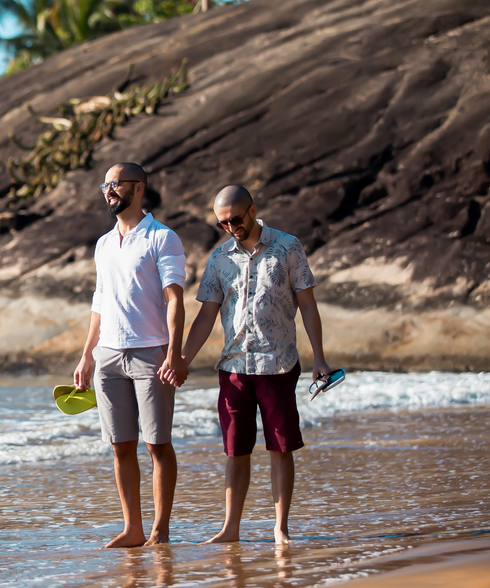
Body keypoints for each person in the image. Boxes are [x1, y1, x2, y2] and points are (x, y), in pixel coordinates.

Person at [181, 185, 331, 545]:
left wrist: (320, 358)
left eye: (236, 219)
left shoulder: (288, 246)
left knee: (280, 447)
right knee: (236, 450)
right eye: (223, 223)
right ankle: (230, 528)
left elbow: (307, 304)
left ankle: (280, 528)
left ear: (253, 210)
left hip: (278, 362)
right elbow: (206, 314)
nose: (231, 227)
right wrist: (183, 359)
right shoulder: (219, 258)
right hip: (233, 366)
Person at [73, 163, 188, 548]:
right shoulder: (104, 243)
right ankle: (132, 528)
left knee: (157, 444)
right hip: (108, 356)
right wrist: (87, 354)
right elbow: (100, 301)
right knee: (120, 446)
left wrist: (174, 353)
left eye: (115, 184)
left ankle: (160, 529)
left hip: (150, 355)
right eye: (105, 185)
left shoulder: (162, 238)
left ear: (138, 188)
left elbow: (175, 299)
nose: (108, 190)